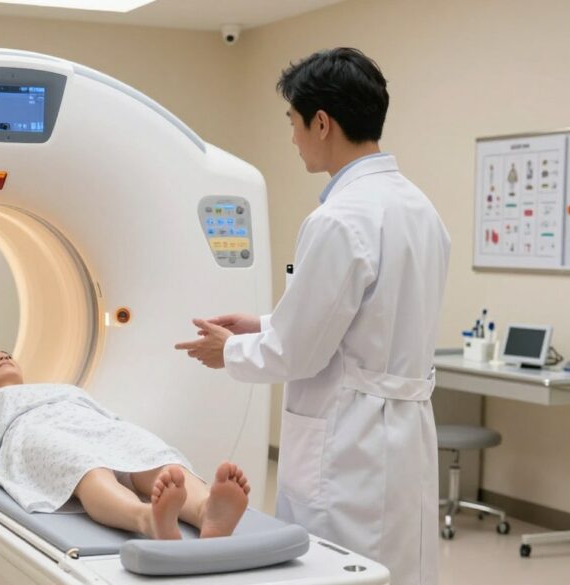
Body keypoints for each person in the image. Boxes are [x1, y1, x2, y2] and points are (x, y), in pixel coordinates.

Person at [175, 48, 449, 585]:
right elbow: (366, 320)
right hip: (404, 435)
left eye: (293, 123)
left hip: (351, 444)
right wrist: (263, 323)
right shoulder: (419, 208)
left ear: (321, 123)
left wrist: (228, 350)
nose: (293, 138)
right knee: (400, 568)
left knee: (338, 569)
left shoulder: (338, 219)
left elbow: (298, 352)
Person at [0, 347, 251, 541]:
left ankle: (206, 512)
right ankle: (147, 518)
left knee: (152, 455)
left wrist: (125, 436)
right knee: (87, 467)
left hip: (94, 426)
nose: (2, 357)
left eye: (6, 354)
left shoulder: (62, 389)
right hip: (33, 432)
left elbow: (106, 419)